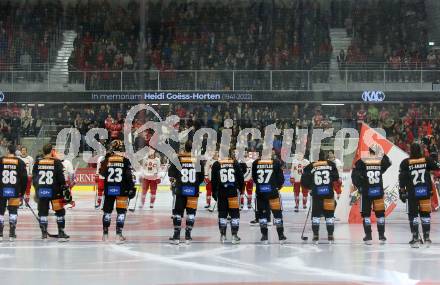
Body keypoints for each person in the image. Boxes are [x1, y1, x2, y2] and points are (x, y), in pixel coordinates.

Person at [399, 143, 440, 248]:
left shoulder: (405, 163)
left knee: (413, 215)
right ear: (420, 151)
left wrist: (402, 192)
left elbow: (402, 178)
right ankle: (427, 238)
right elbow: (437, 167)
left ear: (410, 151)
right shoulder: (426, 160)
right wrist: (434, 159)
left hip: (412, 193)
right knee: (425, 215)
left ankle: (415, 237)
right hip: (424, 191)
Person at [351, 146, 391, 245]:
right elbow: (389, 162)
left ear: (369, 151)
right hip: (378, 191)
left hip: (366, 192)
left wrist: (359, 185)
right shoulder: (380, 160)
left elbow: (354, 175)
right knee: (380, 214)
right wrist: (381, 153)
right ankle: (381, 235)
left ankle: (368, 236)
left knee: (366, 214)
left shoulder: (362, 161)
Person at [99, 140, 136, 243]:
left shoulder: (106, 159)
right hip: (122, 190)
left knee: (107, 212)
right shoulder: (125, 160)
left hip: (109, 189)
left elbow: (101, 173)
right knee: (121, 212)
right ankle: (118, 235)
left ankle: (105, 234)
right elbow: (129, 176)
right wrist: (132, 188)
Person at [33, 143, 71, 242]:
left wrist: (37, 189)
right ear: (51, 151)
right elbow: (61, 179)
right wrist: (64, 187)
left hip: (42, 190)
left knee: (42, 212)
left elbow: (34, 178)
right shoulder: (57, 162)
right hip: (55, 191)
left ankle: (44, 233)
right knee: (59, 212)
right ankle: (61, 232)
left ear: (43, 151)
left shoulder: (37, 162)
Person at [168, 141, 204, 245]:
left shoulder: (178, 158)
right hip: (193, 190)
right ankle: (188, 236)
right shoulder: (197, 160)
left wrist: (175, 182)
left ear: (185, 148)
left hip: (180, 190)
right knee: (191, 214)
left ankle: (176, 236)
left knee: (177, 214)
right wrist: (194, 184)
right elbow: (201, 177)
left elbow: (171, 173)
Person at [301, 150, 340, 244]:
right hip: (329, 194)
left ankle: (315, 236)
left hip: (317, 195)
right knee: (330, 216)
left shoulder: (311, 165)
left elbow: (304, 180)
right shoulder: (331, 164)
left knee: (316, 216)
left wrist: (311, 188)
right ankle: (330, 236)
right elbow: (336, 177)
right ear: (325, 156)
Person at [252, 150, 287, 244]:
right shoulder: (275, 162)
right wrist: (277, 187)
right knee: (277, 214)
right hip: (273, 193)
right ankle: (281, 235)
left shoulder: (255, 163)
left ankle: (264, 235)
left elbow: (254, 177)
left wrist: (261, 186)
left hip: (261, 193)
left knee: (262, 215)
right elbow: (281, 178)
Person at [211, 152, 244, 244]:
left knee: (222, 214)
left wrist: (214, 193)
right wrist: (241, 190)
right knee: (234, 214)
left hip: (221, 193)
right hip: (233, 193)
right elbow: (241, 178)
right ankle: (234, 235)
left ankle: (223, 235)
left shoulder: (216, 164)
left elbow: (213, 181)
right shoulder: (235, 163)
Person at [0, 144, 27, 241]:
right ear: (15, 152)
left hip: (1, 191)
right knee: (13, 212)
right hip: (14, 191)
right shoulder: (20, 162)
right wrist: (22, 192)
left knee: (0, 212)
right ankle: (12, 233)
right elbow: (24, 179)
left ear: (7, 150)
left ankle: (0, 234)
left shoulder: (1, 160)